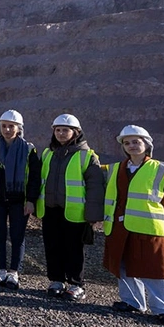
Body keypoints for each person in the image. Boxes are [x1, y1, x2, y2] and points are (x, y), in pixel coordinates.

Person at [103, 125, 164, 325]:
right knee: (124, 264)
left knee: (155, 268)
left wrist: (154, 216)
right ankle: (132, 302)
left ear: (147, 144)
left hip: (150, 226)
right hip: (120, 225)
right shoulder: (116, 168)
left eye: (136, 142)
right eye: (127, 143)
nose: (132, 146)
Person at [35, 113, 105, 301]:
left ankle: (76, 284)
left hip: (75, 212)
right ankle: (56, 280)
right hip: (50, 209)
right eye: (58, 130)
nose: (61, 133)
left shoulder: (87, 156)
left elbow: (95, 187)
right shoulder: (47, 153)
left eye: (65, 130)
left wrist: (93, 214)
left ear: (76, 132)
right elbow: (39, 181)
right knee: (52, 246)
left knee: (74, 249)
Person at [0, 110, 40, 290]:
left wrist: (31, 200)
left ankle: (14, 272)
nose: (7, 129)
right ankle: (1, 270)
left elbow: (35, 177)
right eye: (4, 126)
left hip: (19, 200)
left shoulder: (28, 149)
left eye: (11, 126)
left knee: (17, 236)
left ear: (18, 128)